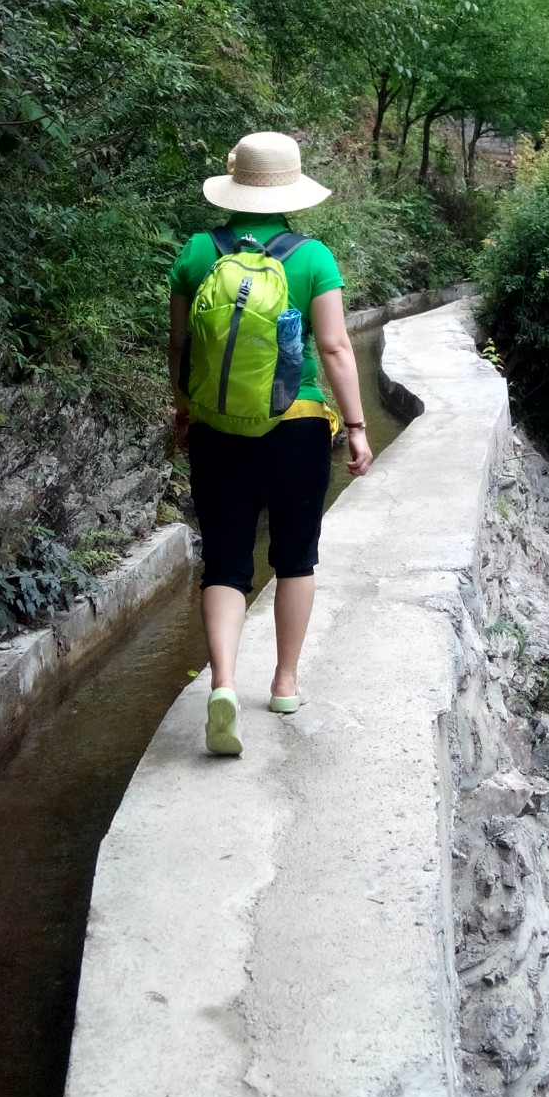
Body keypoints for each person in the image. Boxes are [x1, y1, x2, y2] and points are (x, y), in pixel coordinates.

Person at [168, 131, 373, 757]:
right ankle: (284, 683)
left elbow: (180, 349)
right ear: (292, 190)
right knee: (295, 554)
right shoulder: (312, 257)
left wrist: (184, 414)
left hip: (218, 428)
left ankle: (224, 684)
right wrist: (358, 428)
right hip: (300, 423)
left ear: (233, 186)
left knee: (227, 560)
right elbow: (336, 348)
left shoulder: (197, 252)